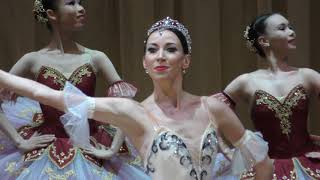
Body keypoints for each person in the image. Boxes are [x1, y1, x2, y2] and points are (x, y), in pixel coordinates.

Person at [0, 17, 273, 180]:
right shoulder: (131, 112)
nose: (161, 56)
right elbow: (45, 94)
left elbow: (262, 162)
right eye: (153, 50)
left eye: (171, 49)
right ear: (145, 62)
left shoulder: (212, 108)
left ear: (185, 60)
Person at [0, 0, 148, 179]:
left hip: (92, 142)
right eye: (71, 3)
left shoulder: (96, 58)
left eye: (80, 2)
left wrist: (112, 149)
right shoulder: (32, 60)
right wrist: (19, 141)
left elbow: (126, 105)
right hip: (47, 146)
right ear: (52, 14)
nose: (81, 8)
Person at [221, 13, 320, 179]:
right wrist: (236, 147)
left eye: (290, 27)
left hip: (309, 165)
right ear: (264, 41)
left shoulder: (307, 76)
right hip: (265, 170)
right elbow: (209, 117)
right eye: (283, 28)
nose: (292, 32)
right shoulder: (246, 81)